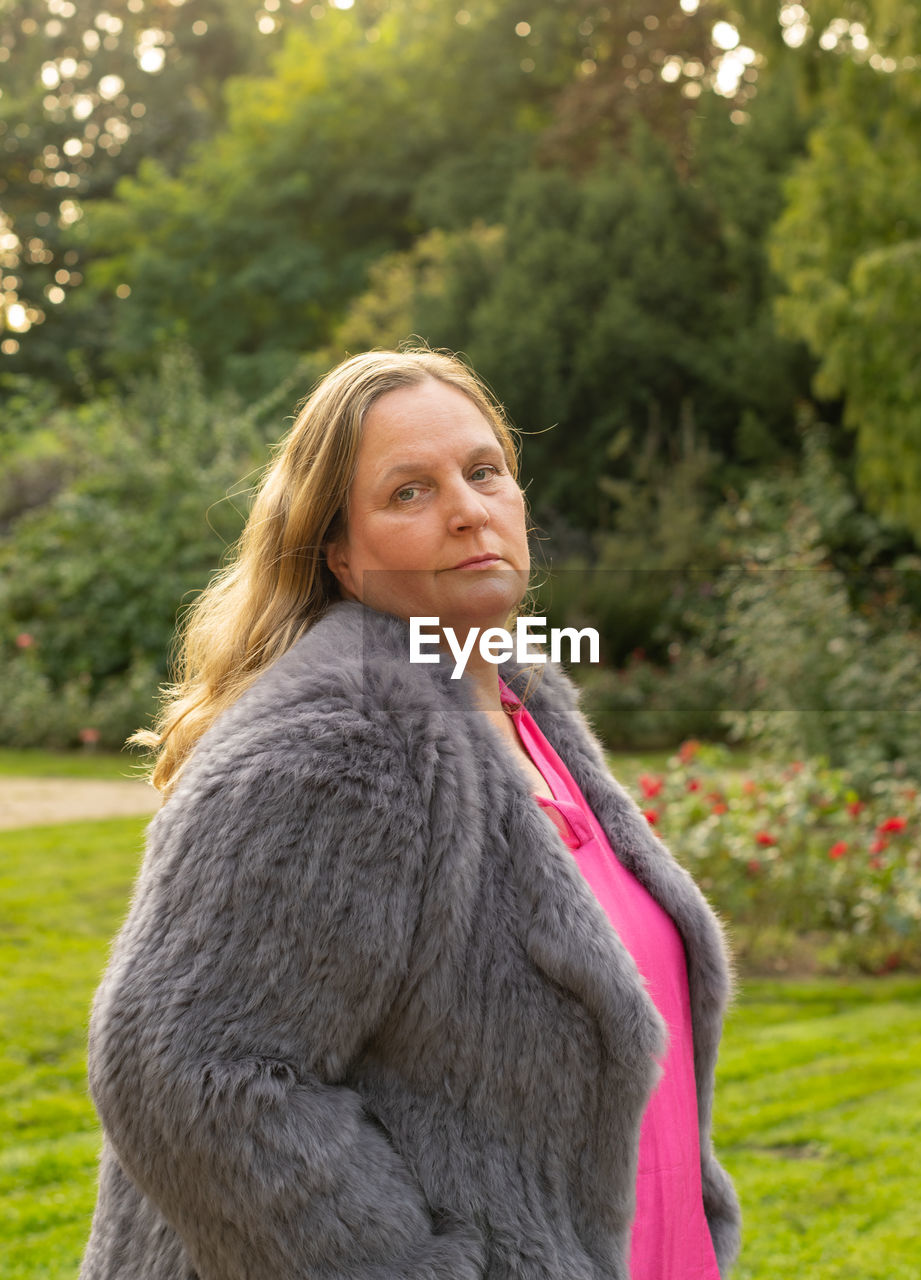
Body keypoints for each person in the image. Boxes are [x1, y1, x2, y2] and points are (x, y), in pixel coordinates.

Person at [80, 347, 741, 1280]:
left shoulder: (517, 709)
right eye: (409, 492)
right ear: (340, 555)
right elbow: (186, 1077)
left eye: (483, 472)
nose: (468, 508)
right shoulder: (336, 746)